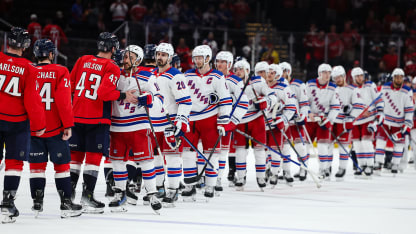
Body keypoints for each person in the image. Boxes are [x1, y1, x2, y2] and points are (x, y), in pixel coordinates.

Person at [69, 32, 137, 213]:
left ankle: (68, 196)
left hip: (76, 115)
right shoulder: (112, 66)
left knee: (75, 158)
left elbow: (71, 83)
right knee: (92, 159)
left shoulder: (82, 59)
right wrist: (124, 95)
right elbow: (104, 94)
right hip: (97, 118)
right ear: (113, 49)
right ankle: (87, 196)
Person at [29, 39, 83, 218]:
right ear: (51, 54)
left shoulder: (29, 70)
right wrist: (68, 124)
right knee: (62, 167)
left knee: (36, 167)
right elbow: (64, 101)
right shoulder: (61, 70)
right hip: (55, 129)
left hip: (33, 128)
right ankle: (65, 204)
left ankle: (37, 203)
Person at [109, 44, 163, 213]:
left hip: (138, 124)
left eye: (129, 57)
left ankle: (152, 193)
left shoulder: (147, 75)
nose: (125, 60)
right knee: (117, 161)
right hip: (117, 125)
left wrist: (148, 98)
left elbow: (158, 96)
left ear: (138, 60)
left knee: (146, 160)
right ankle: (120, 193)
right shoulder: (115, 74)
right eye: (125, 56)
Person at [0, 27, 46, 223]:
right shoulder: (29, 68)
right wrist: (39, 123)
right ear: (26, 45)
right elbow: (32, 99)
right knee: (14, 163)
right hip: (17, 122)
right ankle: (7, 203)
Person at [182, 45, 233, 200]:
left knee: (211, 155)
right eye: (196, 58)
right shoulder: (187, 75)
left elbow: (225, 100)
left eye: (200, 58)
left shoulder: (217, 77)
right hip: (191, 119)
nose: (197, 61)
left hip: (210, 119)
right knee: (187, 154)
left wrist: (223, 120)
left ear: (208, 59)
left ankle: (210, 185)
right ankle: (190, 186)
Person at [153, 42, 192, 206]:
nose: (160, 57)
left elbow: (185, 102)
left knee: (172, 157)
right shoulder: (152, 74)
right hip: (154, 124)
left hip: (170, 124)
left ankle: (173, 190)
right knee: (156, 158)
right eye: (158, 54)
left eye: (163, 55)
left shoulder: (176, 75)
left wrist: (181, 121)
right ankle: (159, 188)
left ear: (170, 57)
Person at [233, 60, 277, 191]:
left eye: (241, 69)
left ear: (247, 70)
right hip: (240, 120)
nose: (238, 71)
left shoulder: (258, 82)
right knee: (240, 151)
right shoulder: (232, 83)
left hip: (256, 118)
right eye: (236, 69)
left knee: (259, 150)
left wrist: (265, 102)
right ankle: (241, 177)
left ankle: (261, 177)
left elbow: (273, 96)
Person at [214, 51, 248, 191]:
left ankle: (218, 179)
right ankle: (205, 177)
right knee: (204, 151)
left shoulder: (235, 80)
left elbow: (244, 102)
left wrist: (232, 121)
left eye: (223, 61)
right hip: (208, 119)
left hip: (224, 121)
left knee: (222, 151)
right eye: (218, 61)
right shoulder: (211, 77)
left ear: (229, 64)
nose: (219, 64)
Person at [374, 68, 413, 174]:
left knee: (399, 144)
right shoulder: (385, 87)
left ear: (403, 78)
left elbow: (409, 109)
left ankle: (395, 164)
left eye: (401, 77)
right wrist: (379, 113)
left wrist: (408, 123)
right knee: (380, 142)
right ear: (393, 78)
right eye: (396, 77)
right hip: (385, 120)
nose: (398, 79)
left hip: (399, 122)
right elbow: (379, 101)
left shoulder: (407, 91)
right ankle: (378, 163)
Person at [305, 64, 340, 180]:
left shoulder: (333, 87)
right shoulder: (309, 84)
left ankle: (323, 169)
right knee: (305, 145)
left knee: (323, 145)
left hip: (324, 120)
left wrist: (328, 119)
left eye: (329, 73)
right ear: (319, 73)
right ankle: (302, 169)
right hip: (310, 120)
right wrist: (308, 112)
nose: (327, 75)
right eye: (325, 72)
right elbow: (304, 102)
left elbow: (335, 107)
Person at [265, 63, 296, 186]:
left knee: (276, 149)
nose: (269, 75)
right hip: (262, 123)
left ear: (277, 75)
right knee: (263, 150)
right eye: (268, 72)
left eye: (272, 73)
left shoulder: (284, 88)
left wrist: (283, 119)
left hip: (276, 123)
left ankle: (275, 173)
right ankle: (266, 170)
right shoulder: (262, 86)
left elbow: (291, 107)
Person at [280, 62, 310, 181]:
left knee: (300, 146)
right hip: (283, 120)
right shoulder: (277, 85)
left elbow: (304, 104)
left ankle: (303, 168)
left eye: (284, 71)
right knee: (284, 147)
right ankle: (286, 170)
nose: (282, 74)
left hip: (295, 120)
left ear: (288, 72)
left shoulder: (298, 85)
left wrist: (302, 116)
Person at [330, 66, 362, 181]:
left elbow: (359, 107)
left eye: (339, 77)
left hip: (343, 122)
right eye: (335, 78)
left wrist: (351, 118)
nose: (337, 79)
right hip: (331, 121)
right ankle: (326, 168)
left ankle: (342, 168)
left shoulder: (353, 90)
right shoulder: (330, 89)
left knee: (343, 147)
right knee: (326, 146)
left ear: (344, 76)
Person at [350, 67, 383, 178]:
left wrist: (376, 112)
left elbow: (378, 100)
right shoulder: (352, 90)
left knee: (366, 142)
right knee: (357, 145)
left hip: (368, 119)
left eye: (361, 75)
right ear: (353, 78)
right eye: (357, 76)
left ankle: (370, 165)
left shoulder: (370, 86)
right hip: (356, 121)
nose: (359, 78)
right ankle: (362, 165)